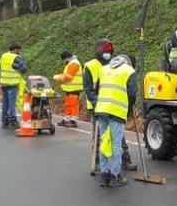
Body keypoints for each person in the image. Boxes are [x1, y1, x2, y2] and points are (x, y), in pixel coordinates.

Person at [84, 39, 136, 171]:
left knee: (118, 136)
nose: (108, 53)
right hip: (98, 106)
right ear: (99, 50)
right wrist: (97, 102)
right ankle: (97, 162)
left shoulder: (113, 65)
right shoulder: (90, 66)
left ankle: (125, 160)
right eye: (106, 51)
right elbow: (88, 88)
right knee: (100, 136)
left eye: (110, 51)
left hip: (113, 106)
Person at [95, 55, 138, 187]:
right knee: (116, 144)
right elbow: (131, 94)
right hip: (117, 110)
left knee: (104, 141)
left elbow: (98, 89)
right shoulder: (129, 71)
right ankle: (115, 176)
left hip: (102, 109)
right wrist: (129, 109)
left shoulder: (104, 69)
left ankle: (103, 175)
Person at [0, 43, 27, 129]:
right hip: (12, 83)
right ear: (15, 49)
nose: (19, 52)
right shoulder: (15, 58)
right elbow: (24, 69)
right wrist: (21, 59)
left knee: (5, 102)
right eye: (19, 50)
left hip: (4, 82)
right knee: (12, 102)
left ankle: (5, 121)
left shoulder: (3, 56)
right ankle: (13, 120)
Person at [52, 50, 82, 127]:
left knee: (73, 104)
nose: (63, 61)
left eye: (63, 60)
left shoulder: (74, 63)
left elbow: (69, 77)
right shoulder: (70, 63)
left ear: (66, 58)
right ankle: (67, 119)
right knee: (68, 104)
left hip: (74, 88)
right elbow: (66, 74)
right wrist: (59, 76)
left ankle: (73, 120)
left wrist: (58, 78)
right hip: (70, 88)